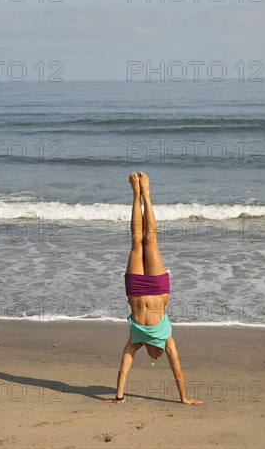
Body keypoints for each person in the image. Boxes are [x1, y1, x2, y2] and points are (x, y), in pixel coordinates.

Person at [105, 172, 203, 405]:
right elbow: (177, 371)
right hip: (158, 288)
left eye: (156, 357)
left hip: (136, 288)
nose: (157, 357)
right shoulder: (166, 339)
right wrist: (184, 397)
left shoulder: (135, 340)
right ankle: (146, 196)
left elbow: (123, 369)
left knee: (137, 238)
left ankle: (136, 194)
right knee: (151, 240)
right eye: (159, 356)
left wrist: (120, 397)